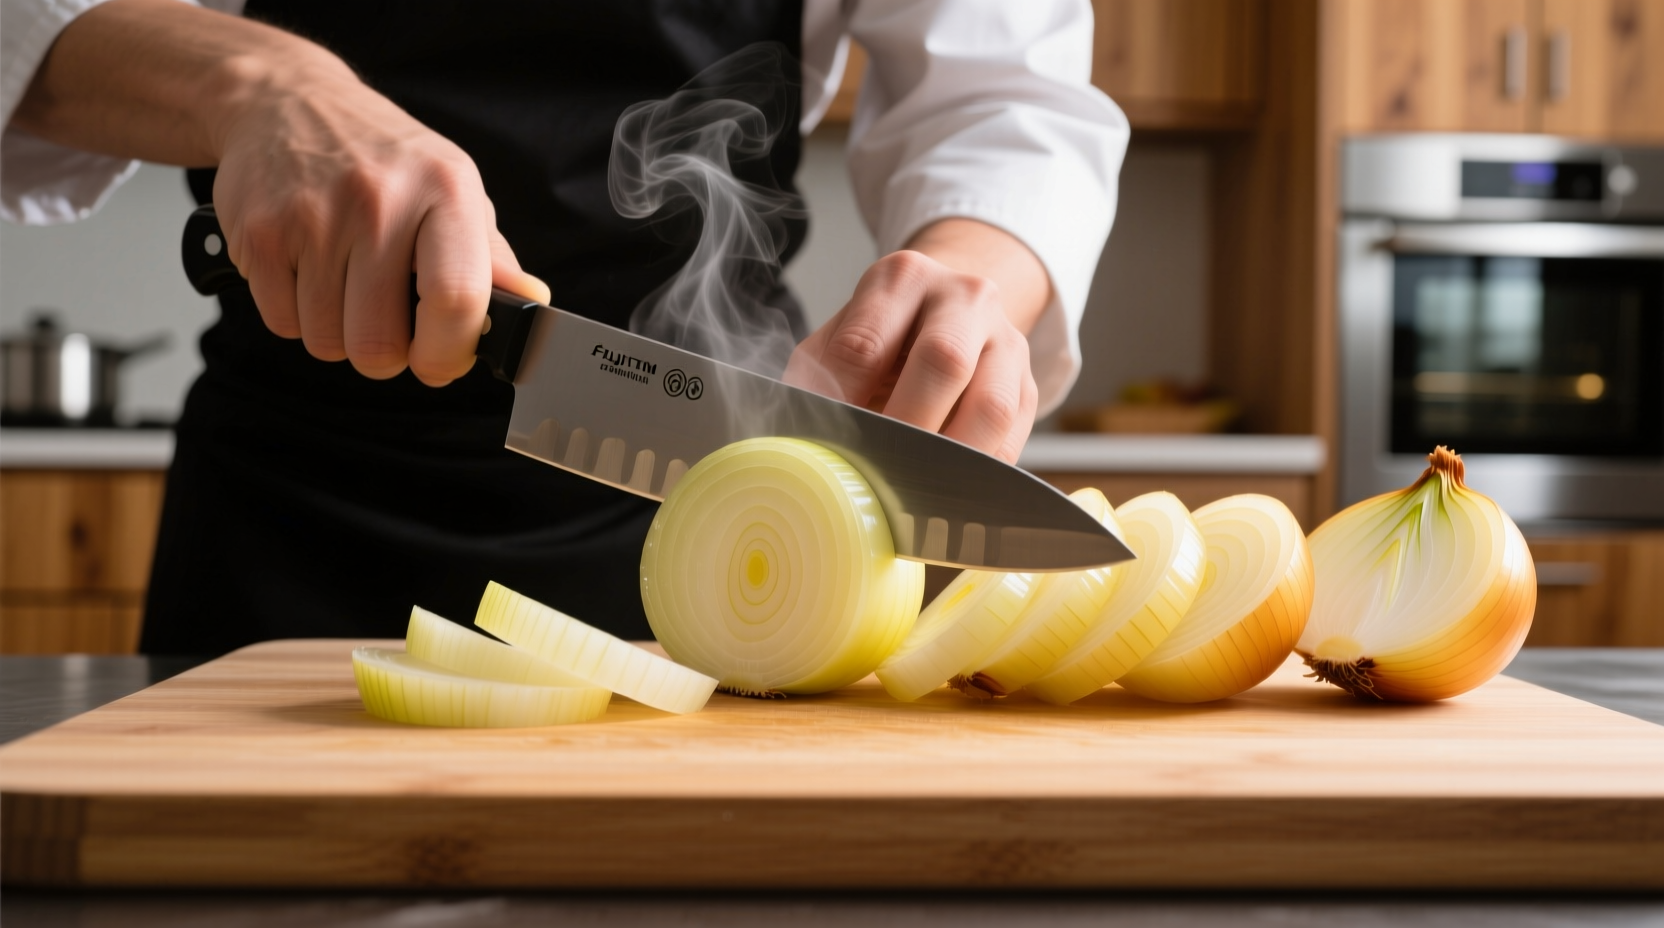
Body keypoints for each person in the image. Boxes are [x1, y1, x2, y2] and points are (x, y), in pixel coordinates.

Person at [1, 0, 1128, 653]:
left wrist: (971, 265)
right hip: (289, 519)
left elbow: (1004, 95)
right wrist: (255, 81)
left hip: (717, 528)